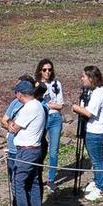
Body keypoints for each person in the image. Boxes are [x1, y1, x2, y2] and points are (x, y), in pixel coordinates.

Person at [1, 78, 47, 206]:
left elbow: (14, 127)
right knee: (32, 181)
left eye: (17, 93)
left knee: (18, 182)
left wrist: (9, 123)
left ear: (21, 94)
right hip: (33, 149)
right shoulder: (37, 106)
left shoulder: (29, 108)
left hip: (27, 151)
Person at [75, 65, 103, 202]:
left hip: (97, 131)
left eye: (84, 76)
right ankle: (97, 181)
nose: (82, 78)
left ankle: (101, 188)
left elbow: (89, 113)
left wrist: (76, 108)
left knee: (97, 160)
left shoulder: (98, 93)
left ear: (91, 78)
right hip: (92, 129)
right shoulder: (94, 91)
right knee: (94, 158)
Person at [35, 59, 66, 193]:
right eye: (44, 70)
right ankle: (37, 175)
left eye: (49, 69)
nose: (47, 72)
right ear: (40, 71)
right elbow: (35, 102)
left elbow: (60, 105)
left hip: (55, 118)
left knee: (54, 151)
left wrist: (47, 104)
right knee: (39, 148)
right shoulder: (37, 84)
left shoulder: (56, 84)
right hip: (42, 117)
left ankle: (51, 179)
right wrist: (50, 104)